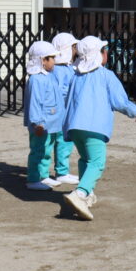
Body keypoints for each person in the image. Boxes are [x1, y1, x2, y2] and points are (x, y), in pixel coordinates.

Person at [62, 36, 136, 220]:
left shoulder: (75, 75)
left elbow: (68, 98)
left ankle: (87, 193)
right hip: (95, 126)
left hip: (75, 126)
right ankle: (80, 193)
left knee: (85, 159)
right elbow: (120, 101)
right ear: (98, 55)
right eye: (103, 50)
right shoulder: (106, 75)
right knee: (97, 162)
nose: (106, 53)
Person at [23, 40, 64, 191]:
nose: (54, 61)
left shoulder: (48, 76)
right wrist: (37, 122)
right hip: (41, 123)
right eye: (52, 58)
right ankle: (33, 179)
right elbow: (35, 102)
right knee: (38, 150)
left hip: (50, 122)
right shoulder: (36, 79)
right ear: (43, 60)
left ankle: (43, 175)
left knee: (46, 150)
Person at [48, 32, 81, 186]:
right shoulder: (59, 70)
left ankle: (62, 171)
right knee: (61, 141)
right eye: (73, 47)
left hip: (62, 111)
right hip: (62, 111)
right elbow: (60, 92)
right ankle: (61, 172)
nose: (75, 51)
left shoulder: (63, 68)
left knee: (62, 141)